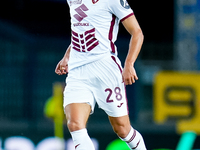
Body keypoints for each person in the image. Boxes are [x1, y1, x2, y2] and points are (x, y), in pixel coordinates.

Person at [55, 0, 146, 149]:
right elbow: (81, 29)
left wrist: (129, 64)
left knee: (122, 129)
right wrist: (67, 56)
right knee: (75, 124)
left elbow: (137, 32)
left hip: (105, 68)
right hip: (78, 70)